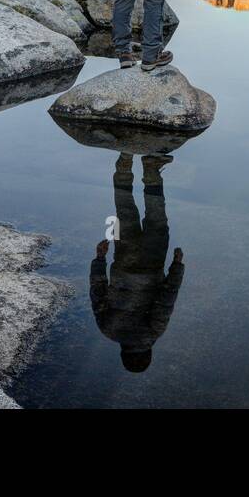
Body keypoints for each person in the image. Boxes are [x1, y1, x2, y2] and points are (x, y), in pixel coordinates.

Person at [91, 152, 185, 373]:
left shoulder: (153, 332)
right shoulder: (107, 330)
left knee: (156, 215)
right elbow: (97, 291)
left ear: (147, 353)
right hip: (123, 261)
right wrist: (100, 259)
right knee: (124, 211)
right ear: (123, 353)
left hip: (151, 264)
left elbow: (166, 300)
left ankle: (151, 169)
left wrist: (177, 267)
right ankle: (124, 165)